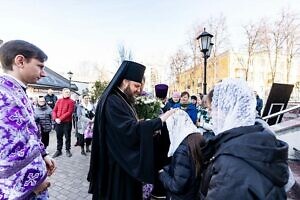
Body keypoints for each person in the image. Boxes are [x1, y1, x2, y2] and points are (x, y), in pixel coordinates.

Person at [87, 60, 175, 200]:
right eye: (136, 86)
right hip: (116, 164)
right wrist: (159, 120)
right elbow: (128, 130)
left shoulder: (123, 98)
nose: (139, 90)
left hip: (122, 159)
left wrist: (143, 125)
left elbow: (128, 125)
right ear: (125, 81)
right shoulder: (112, 100)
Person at [199, 78, 289, 199]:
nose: (210, 114)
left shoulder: (230, 163)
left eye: (212, 109)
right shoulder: (260, 140)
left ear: (227, 109)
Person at [0, 40, 56, 199]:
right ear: (20, 61)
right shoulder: (4, 94)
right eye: (40, 66)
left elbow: (29, 131)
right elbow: (7, 149)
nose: (44, 73)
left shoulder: (16, 90)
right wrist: (33, 184)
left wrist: (43, 154)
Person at [159, 110, 205, 200]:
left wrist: (162, 174)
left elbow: (176, 186)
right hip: (193, 193)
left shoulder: (182, 150)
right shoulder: (196, 138)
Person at [52, 88, 75, 158]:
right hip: (58, 122)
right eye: (66, 92)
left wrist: (60, 119)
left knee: (67, 137)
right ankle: (59, 150)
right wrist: (55, 118)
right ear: (62, 93)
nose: (67, 93)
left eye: (68, 92)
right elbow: (54, 110)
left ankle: (68, 150)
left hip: (66, 123)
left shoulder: (71, 101)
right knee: (59, 136)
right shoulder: (58, 100)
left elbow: (69, 112)